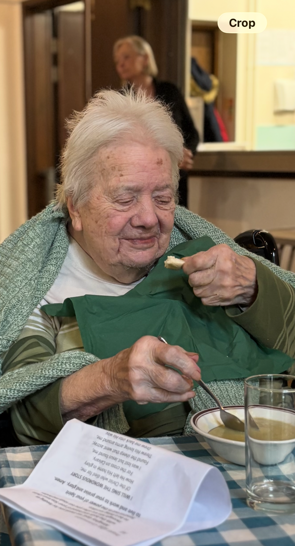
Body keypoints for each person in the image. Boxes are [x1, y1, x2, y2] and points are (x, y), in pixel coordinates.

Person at [1, 88, 295, 447]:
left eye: (163, 198)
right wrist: (109, 379)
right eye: (125, 198)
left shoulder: (200, 253)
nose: (148, 219)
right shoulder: (36, 287)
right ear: (74, 207)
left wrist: (253, 288)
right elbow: (21, 423)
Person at [113, 35, 199, 207]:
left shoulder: (169, 91)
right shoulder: (120, 99)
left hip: (175, 178)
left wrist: (183, 154)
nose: (120, 64)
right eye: (117, 61)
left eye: (126, 57)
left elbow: (192, 133)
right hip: (138, 179)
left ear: (144, 58)